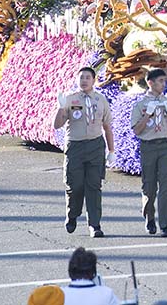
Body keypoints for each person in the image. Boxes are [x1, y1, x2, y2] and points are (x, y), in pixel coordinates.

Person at [54, 67, 115, 238]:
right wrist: (60, 108)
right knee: (75, 186)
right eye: (81, 77)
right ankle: (72, 215)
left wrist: (111, 150)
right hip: (75, 146)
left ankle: (95, 225)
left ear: (94, 80)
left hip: (95, 146)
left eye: (88, 77)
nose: (84, 81)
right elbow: (57, 125)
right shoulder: (70, 99)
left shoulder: (100, 99)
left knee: (94, 187)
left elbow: (107, 127)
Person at [131, 68, 167, 237]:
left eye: (164, 81)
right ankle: (149, 217)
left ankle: (165, 224)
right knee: (149, 186)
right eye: (160, 81)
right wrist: (147, 115)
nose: (163, 84)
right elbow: (137, 130)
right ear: (150, 82)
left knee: (166, 186)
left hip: (166, 145)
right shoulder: (140, 105)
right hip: (149, 146)